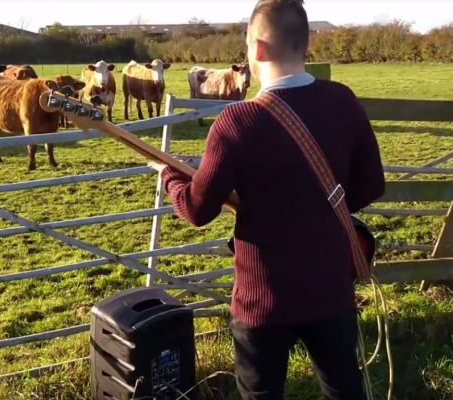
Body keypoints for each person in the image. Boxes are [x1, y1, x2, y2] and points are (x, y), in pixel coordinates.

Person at [147, 0, 386, 399]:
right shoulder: (343, 101)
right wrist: (315, 206)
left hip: (264, 300)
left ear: (256, 49)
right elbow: (371, 186)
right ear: (306, 43)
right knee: (345, 389)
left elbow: (197, 209)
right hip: (330, 287)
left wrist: (171, 176)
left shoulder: (236, 122)